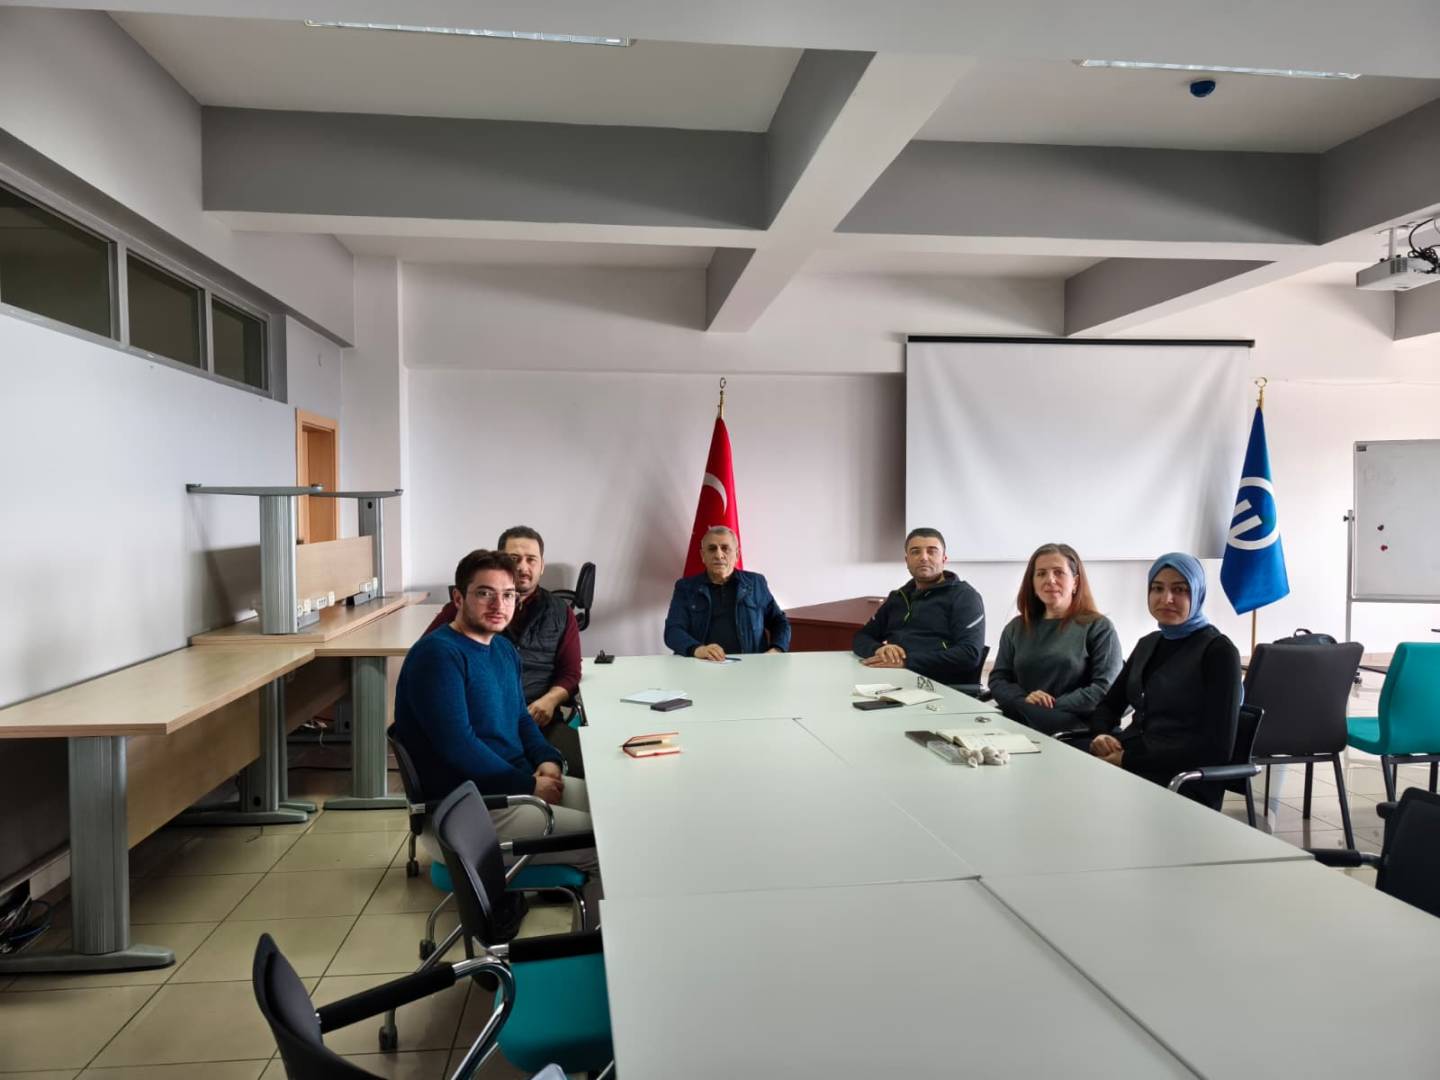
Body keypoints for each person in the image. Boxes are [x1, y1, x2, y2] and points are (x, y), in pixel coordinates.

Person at [394, 549, 598, 880]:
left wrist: (547, 758)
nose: (498, 605)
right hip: (470, 810)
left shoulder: (502, 648)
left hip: (508, 789)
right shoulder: (438, 655)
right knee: (607, 841)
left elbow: (520, 718)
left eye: (508, 595)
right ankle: (590, 914)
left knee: (617, 811)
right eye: (484, 593)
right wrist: (529, 785)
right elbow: (459, 746)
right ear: (458, 598)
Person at [1089, 553, 1242, 810]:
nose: (1166, 598)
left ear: (1197, 594)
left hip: (1183, 779)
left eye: (1179, 590)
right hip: (1133, 761)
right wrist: (1101, 734)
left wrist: (1128, 760)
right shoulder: (1148, 644)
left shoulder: (1219, 652)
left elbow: (1216, 747)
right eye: (1157, 588)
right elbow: (1108, 706)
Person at [425, 526, 584, 772]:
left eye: (531, 559)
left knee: (591, 766)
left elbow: (571, 672)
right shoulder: (464, 614)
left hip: (537, 722)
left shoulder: (561, 613)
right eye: (514, 559)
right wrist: (531, 784)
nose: (523, 567)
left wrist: (550, 701)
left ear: (542, 566)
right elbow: (432, 660)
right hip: (483, 726)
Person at [987, 543, 1122, 735]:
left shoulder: (1099, 627)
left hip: (1075, 728)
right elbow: (998, 679)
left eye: (1058, 572)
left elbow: (1105, 689)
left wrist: (1051, 705)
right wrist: (1025, 700)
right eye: (1041, 574)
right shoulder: (1015, 628)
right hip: (1023, 718)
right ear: (1032, 583)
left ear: (1075, 582)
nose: (1050, 580)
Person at [853, 527, 985, 683]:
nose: (923, 557)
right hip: (893, 680)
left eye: (932, 551)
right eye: (915, 552)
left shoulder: (964, 597)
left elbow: (969, 654)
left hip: (938, 685)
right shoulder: (898, 597)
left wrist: (906, 662)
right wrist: (880, 649)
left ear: (944, 559)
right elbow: (861, 637)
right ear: (907, 560)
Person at [663, 526, 791, 660]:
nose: (719, 555)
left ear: (737, 555)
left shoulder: (756, 583)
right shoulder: (686, 587)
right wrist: (698, 649)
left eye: (725, 548)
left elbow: (780, 621)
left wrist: (777, 649)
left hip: (750, 666)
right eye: (712, 549)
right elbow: (673, 630)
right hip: (703, 665)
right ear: (703, 555)